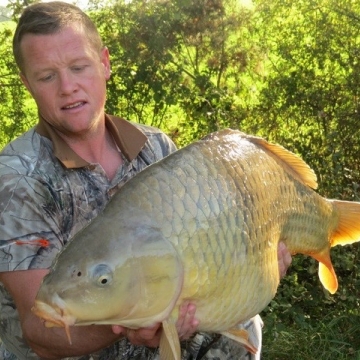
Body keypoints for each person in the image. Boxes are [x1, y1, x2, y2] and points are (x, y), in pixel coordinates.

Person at [0, 2, 292, 359]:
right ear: (27, 84)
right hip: (67, 353)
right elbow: (39, 331)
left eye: (79, 67)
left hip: (143, 335)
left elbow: (202, 245)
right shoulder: (15, 180)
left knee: (242, 326)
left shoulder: (154, 147)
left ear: (105, 63)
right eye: (47, 76)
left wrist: (253, 269)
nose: (67, 87)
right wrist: (138, 318)